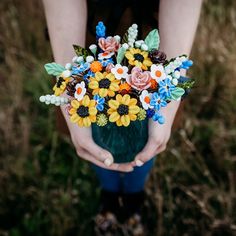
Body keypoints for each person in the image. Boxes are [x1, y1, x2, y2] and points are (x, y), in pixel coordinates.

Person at [42, 0, 202, 234]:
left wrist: (170, 91)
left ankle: (133, 200)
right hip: (86, 38)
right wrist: (71, 90)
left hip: (156, 39)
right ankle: (110, 197)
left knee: (148, 135)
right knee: (95, 137)